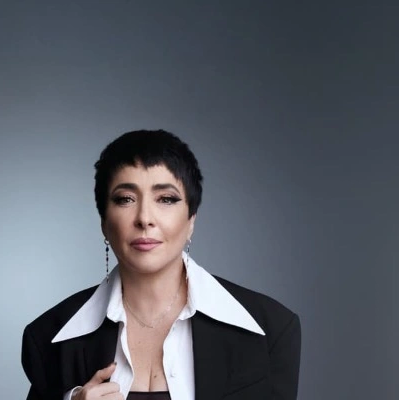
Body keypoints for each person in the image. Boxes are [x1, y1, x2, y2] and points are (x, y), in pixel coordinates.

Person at [21, 130, 301, 400]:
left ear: (191, 220)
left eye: (166, 199)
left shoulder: (271, 330)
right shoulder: (48, 337)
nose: (145, 218)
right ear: (104, 222)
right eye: (125, 199)